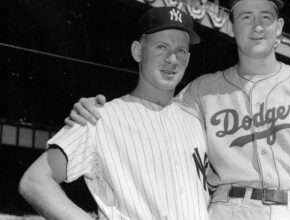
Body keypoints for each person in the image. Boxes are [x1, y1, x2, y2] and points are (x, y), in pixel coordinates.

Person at [66, 0, 290, 219]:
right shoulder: (200, 91)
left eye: (266, 17)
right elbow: (152, 116)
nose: (257, 26)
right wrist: (94, 110)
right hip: (228, 210)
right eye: (246, 17)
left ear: (279, 27)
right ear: (231, 27)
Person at [18, 6, 210, 220]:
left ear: (188, 58)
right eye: (161, 47)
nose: (172, 59)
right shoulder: (99, 117)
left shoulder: (195, 123)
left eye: (180, 50)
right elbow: (35, 181)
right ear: (137, 51)